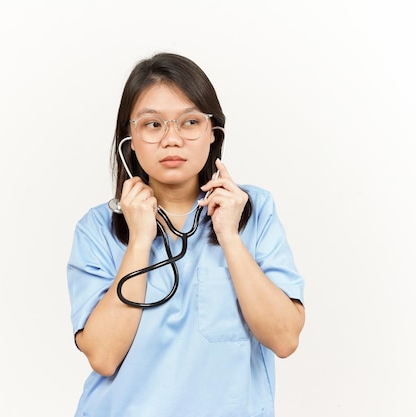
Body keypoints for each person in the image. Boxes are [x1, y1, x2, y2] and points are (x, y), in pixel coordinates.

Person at [66, 52, 305, 417]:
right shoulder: (97, 229)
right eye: (153, 125)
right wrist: (140, 240)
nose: (172, 139)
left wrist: (229, 236)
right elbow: (103, 356)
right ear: (129, 138)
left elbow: (285, 338)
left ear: (213, 134)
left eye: (190, 122)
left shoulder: (254, 212)